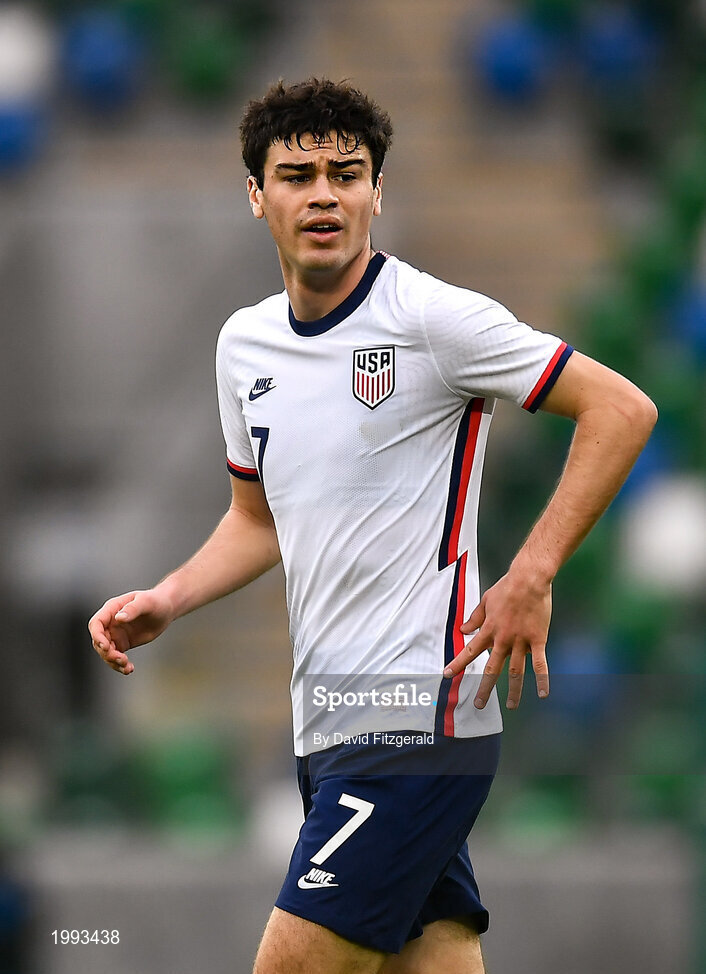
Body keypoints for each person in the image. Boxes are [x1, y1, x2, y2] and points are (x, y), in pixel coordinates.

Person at [88, 77, 657, 974]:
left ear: (376, 192)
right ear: (255, 195)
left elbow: (620, 409)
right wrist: (171, 596)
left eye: (346, 174)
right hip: (329, 723)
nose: (324, 194)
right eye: (298, 174)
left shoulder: (433, 319)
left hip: (419, 718)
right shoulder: (245, 345)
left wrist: (532, 572)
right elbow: (258, 517)